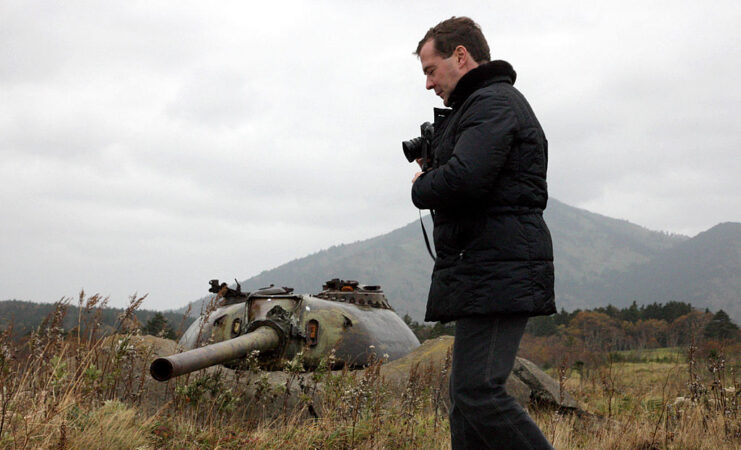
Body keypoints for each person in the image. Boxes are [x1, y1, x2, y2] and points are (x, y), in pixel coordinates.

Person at [410, 17, 556, 449]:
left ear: (460, 55)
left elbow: (465, 178)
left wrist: (422, 186)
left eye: (430, 70)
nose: (428, 83)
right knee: (465, 398)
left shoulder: (494, 103)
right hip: (486, 268)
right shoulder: (479, 107)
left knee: (478, 391)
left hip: (499, 268)